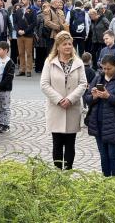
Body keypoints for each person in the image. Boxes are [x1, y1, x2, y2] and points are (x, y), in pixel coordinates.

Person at [40, 31, 87, 170]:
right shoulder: (50, 62)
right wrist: (60, 100)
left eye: (70, 44)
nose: (68, 46)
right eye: (65, 44)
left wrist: (70, 99)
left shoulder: (78, 63)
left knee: (70, 143)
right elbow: (44, 84)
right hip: (56, 108)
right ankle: (57, 171)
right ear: (58, 46)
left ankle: (68, 171)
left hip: (72, 108)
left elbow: (83, 84)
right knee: (57, 143)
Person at [84, 55, 115, 177]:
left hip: (114, 124)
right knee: (103, 155)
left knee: (113, 155)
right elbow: (87, 98)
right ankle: (105, 181)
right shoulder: (98, 78)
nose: (106, 71)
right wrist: (94, 96)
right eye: (104, 68)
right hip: (98, 123)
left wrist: (108, 96)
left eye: (109, 68)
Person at [0, 41, 15, 133]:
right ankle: (0, 123)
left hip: (4, 88)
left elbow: (9, 77)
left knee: (5, 107)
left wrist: (0, 85)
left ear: (6, 50)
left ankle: (6, 124)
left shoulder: (10, 62)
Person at [14, 0, 36, 77]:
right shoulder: (18, 10)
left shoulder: (32, 10)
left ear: (28, 1)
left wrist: (25, 31)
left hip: (28, 35)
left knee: (29, 53)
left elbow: (34, 23)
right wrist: (18, 30)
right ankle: (22, 69)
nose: (22, 1)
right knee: (21, 53)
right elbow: (15, 22)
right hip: (19, 35)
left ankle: (29, 69)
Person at [34, 2, 49, 73]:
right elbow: (36, 27)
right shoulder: (39, 15)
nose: (45, 8)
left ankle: (45, 68)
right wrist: (36, 35)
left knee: (46, 53)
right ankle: (38, 68)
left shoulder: (50, 15)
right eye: (44, 7)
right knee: (39, 52)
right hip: (40, 37)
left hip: (48, 37)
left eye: (47, 7)